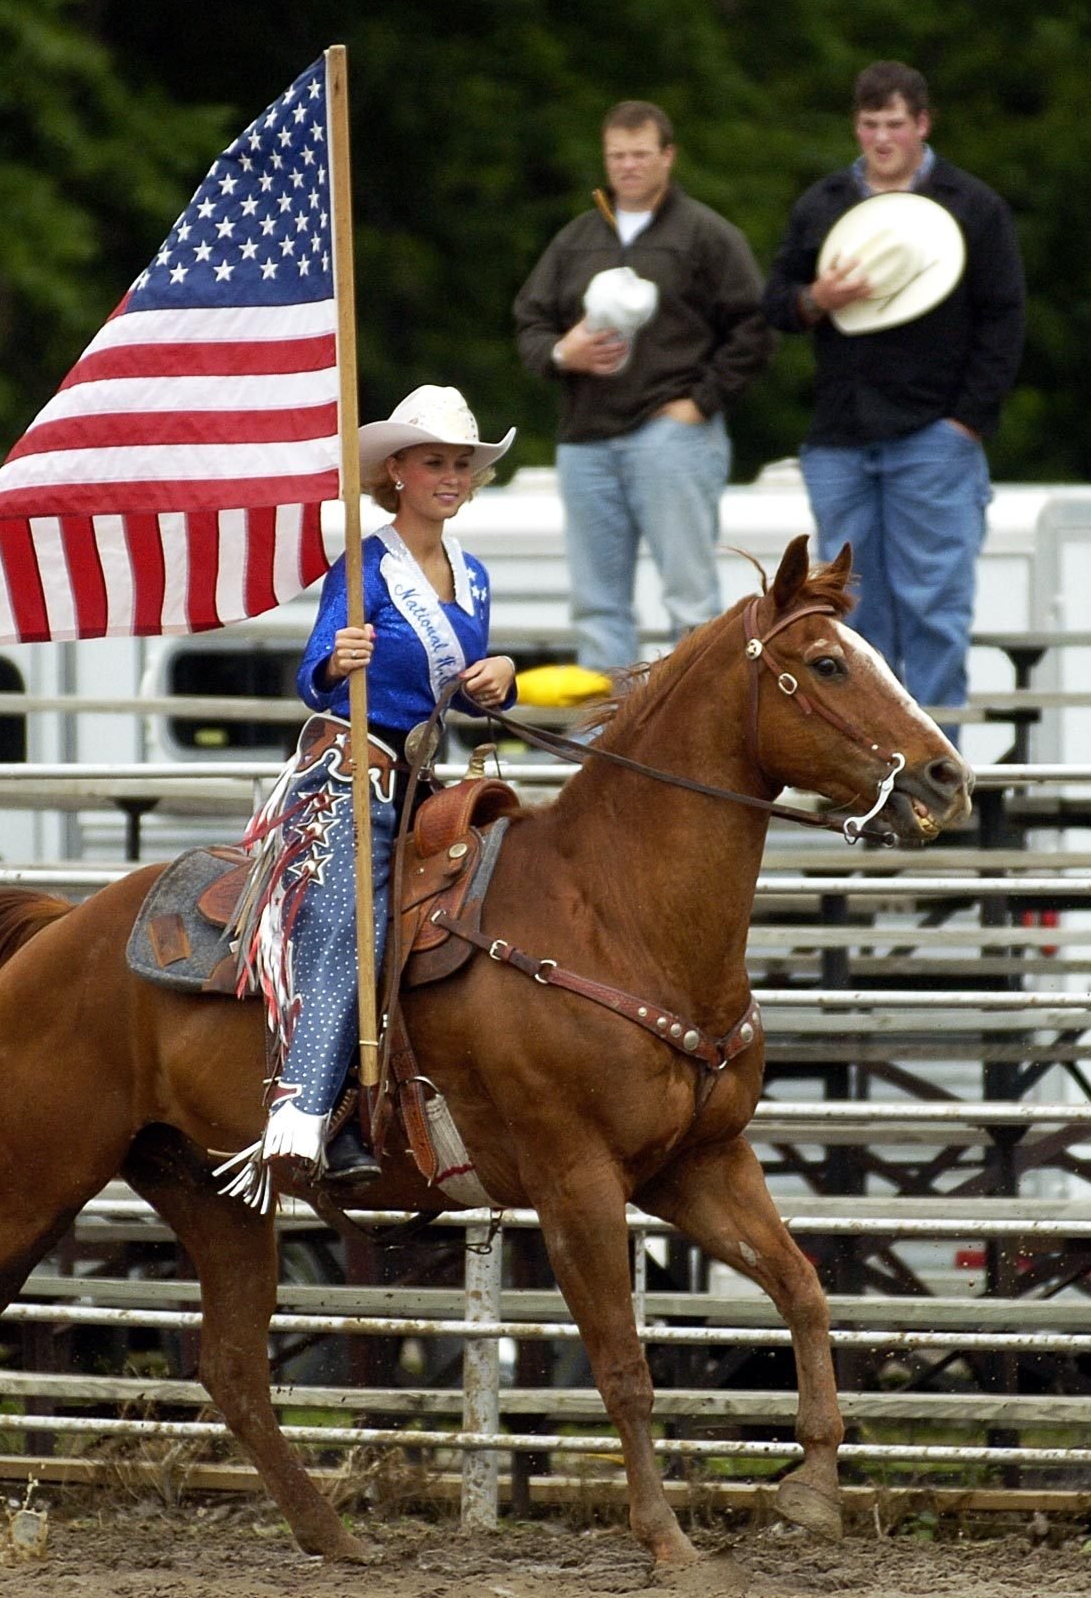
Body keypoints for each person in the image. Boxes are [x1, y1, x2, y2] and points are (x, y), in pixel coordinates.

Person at [216, 385, 519, 1204]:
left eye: (462, 464)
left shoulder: (476, 577)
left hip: (426, 775)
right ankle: (307, 1111)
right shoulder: (362, 564)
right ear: (398, 473)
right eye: (435, 463)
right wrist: (337, 657)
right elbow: (313, 671)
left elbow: (451, 688)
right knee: (358, 921)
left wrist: (498, 679)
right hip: (351, 770)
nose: (451, 477)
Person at [763, 60, 1026, 716]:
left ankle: (934, 778)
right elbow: (773, 303)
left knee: (934, 608)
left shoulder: (971, 206)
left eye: (895, 125)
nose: (882, 139)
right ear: (856, 125)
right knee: (849, 617)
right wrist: (815, 299)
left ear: (922, 125)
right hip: (841, 435)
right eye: (870, 124)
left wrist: (966, 421)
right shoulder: (824, 205)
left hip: (934, 436)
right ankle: (868, 777)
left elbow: (1005, 318)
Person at [514, 100, 774, 674]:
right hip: (585, 440)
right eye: (616, 156)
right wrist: (563, 353)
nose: (627, 166)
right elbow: (529, 322)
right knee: (596, 605)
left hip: (671, 436)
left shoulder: (706, 234)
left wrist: (700, 402)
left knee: (690, 600)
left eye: (639, 154)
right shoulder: (575, 240)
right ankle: (611, 742)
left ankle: (696, 737)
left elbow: (755, 327)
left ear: (667, 156)